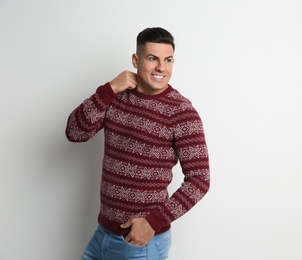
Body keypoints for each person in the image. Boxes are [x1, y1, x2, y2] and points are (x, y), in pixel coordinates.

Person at [65, 27, 210, 260]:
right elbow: (74, 132)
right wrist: (109, 89)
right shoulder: (116, 97)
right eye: (152, 58)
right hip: (102, 234)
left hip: (141, 244)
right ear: (136, 59)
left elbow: (200, 179)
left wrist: (153, 222)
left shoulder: (182, 112)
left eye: (168, 60)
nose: (161, 68)